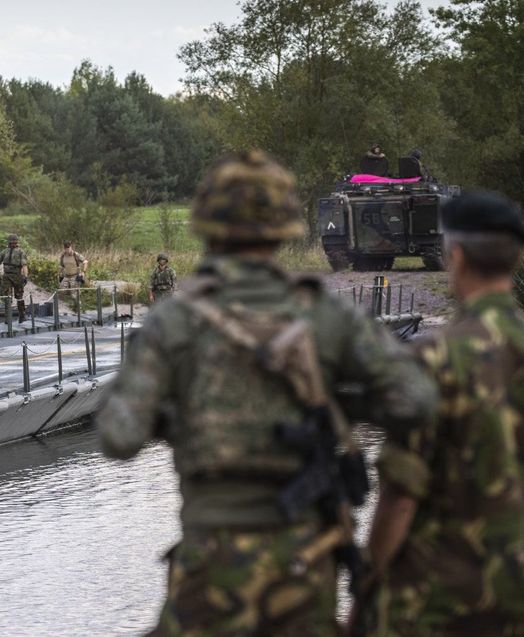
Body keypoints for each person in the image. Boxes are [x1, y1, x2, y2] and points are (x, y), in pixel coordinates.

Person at [95, 150, 436, 637]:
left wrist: (174, 409)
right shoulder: (325, 316)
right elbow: (416, 400)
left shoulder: (175, 320)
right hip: (305, 562)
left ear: (207, 224)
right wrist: (338, 403)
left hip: (210, 564)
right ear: (285, 227)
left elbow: (118, 435)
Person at [360, 192, 524, 637]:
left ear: (455, 257)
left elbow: (400, 494)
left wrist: (367, 583)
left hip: (446, 596)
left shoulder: (436, 358)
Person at [0, 234, 29, 322]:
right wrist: (25, 276)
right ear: (17, 242)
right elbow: (24, 265)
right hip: (17, 276)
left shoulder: (4, 252)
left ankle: (8, 318)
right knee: (19, 296)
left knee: (7, 297)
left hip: (7, 276)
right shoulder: (21, 252)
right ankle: (22, 316)